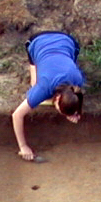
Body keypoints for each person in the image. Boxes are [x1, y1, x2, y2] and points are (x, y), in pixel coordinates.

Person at [11, 31, 84, 161]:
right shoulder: (43, 88)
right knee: (33, 83)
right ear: (55, 98)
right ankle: (36, 60)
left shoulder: (77, 82)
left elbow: (78, 97)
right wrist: (23, 146)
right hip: (37, 41)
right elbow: (17, 115)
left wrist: (73, 112)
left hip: (68, 40)